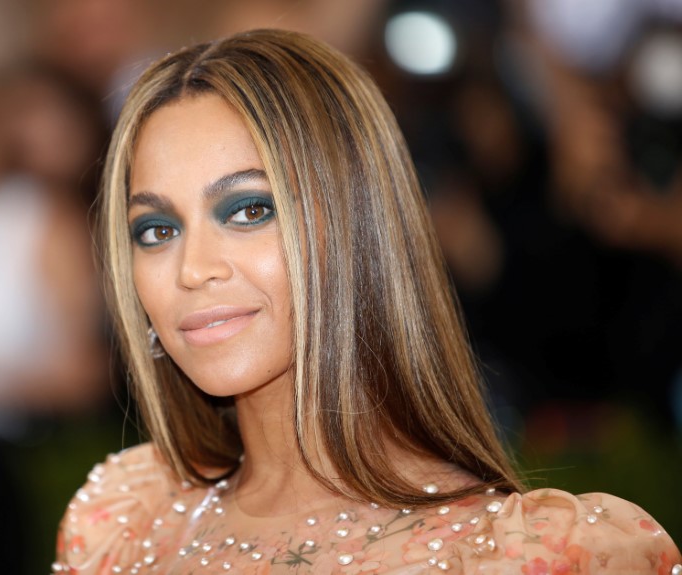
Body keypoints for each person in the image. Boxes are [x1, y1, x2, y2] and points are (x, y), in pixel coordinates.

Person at [54, 29, 680, 574]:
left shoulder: (537, 555)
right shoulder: (124, 519)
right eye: (157, 231)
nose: (193, 270)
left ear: (354, 228)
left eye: (249, 210)